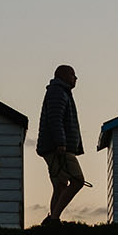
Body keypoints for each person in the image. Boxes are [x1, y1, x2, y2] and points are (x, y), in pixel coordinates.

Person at [35, 64, 87, 225]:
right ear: (64, 76)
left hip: (55, 147)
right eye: (73, 74)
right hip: (58, 148)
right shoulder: (58, 92)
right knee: (78, 180)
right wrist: (61, 143)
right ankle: (54, 219)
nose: (75, 78)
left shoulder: (60, 92)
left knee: (60, 184)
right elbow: (55, 118)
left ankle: (52, 221)